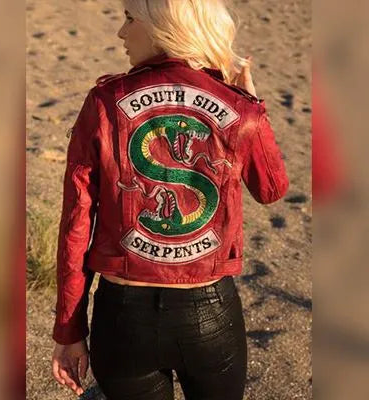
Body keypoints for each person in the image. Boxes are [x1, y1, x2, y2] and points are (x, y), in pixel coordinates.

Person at [51, 0, 289, 399]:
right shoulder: (237, 106)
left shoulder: (105, 101)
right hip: (209, 314)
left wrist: (69, 330)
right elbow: (272, 189)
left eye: (130, 19)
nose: (121, 33)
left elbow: (76, 223)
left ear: (163, 25)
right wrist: (251, 106)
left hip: (121, 316)